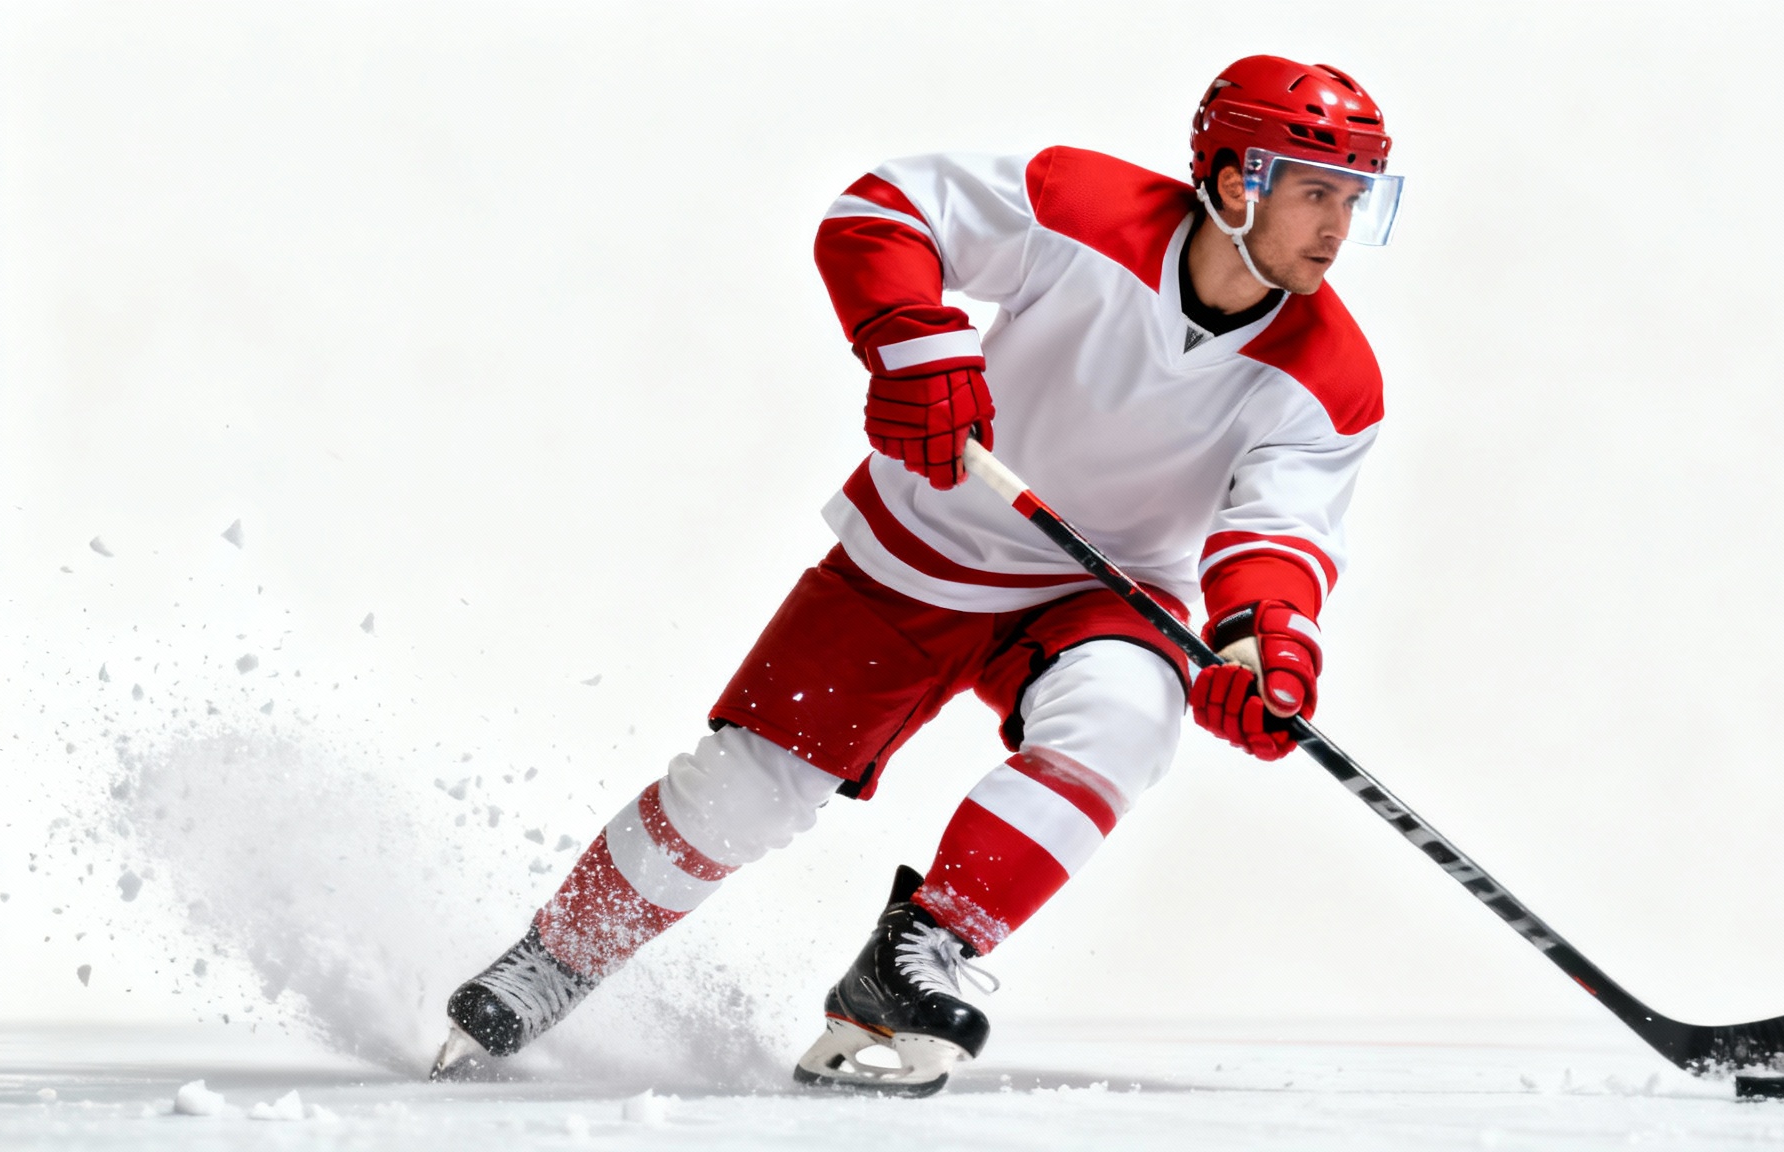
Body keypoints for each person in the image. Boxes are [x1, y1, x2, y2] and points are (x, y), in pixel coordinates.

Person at [431, 54, 1402, 1096]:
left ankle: (917, 958)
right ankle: (557, 956)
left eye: (1354, 199)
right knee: (744, 795)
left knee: (1127, 713)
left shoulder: (1333, 379)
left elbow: (1276, 533)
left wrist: (1259, 645)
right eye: (1313, 191)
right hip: (918, 554)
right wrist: (908, 339)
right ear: (1227, 179)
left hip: (1103, 592)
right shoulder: (1078, 203)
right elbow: (882, 210)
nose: (1336, 227)